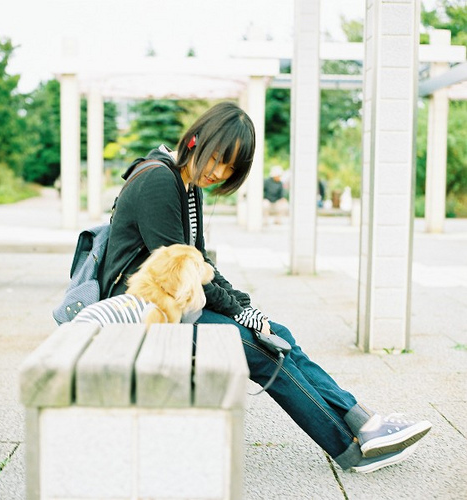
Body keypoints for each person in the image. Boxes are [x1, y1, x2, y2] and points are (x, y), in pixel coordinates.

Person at [99, 101, 431, 473]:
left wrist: (244, 306)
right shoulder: (159, 181)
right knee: (260, 351)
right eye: (217, 159)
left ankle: (364, 423)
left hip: (172, 303)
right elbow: (179, 273)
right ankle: (349, 450)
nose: (219, 172)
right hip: (139, 313)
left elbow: (201, 262)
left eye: (230, 167)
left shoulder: (188, 186)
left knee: (278, 334)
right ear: (195, 140)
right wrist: (239, 313)